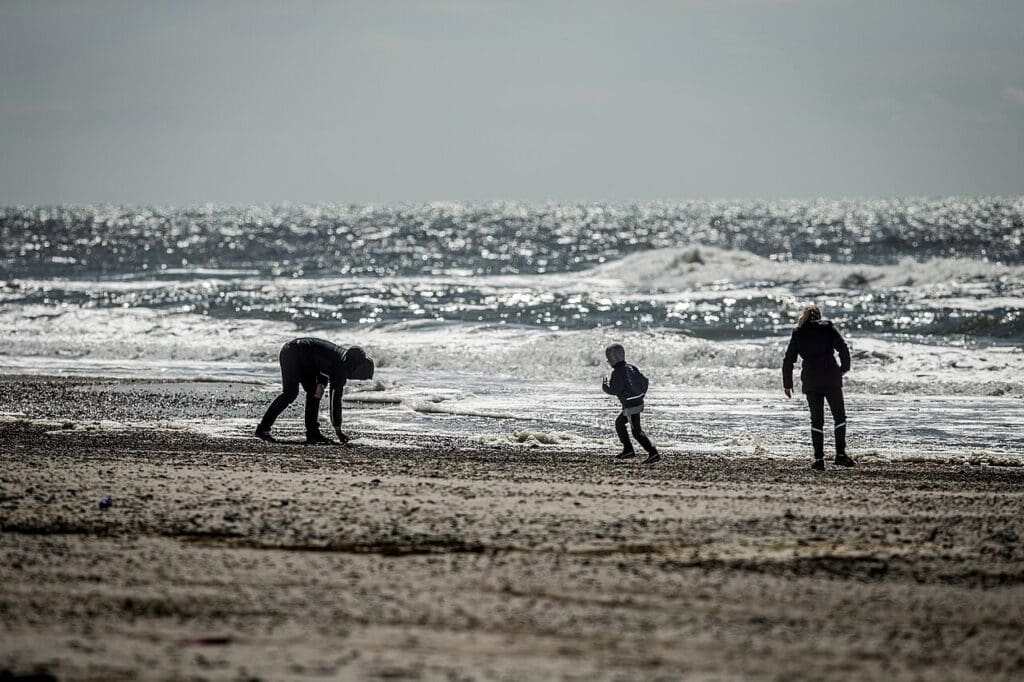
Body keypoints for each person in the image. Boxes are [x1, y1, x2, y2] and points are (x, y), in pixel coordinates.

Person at [256, 337, 374, 444]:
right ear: (353, 366)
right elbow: (335, 401)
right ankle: (263, 429)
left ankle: (313, 433)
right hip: (292, 353)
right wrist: (338, 430)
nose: (359, 377)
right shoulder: (341, 369)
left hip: (304, 357)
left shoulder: (343, 359)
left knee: (315, 392)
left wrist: (321, 383)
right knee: (290, 393)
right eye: (361, 372)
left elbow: (323, 365)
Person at [782, 305, 854, 471]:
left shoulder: (798, 332)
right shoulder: (827, 327)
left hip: (811, 380)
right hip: (831, 377)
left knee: (817, 420)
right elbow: (843, 347)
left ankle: (819, 459)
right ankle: (840, 455)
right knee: (839, 416)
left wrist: (787, 384)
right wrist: (844, 368)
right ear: (819, 315)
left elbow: (788, 360)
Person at [602, 343, 660, 464]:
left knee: (636, 431)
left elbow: (614, 390)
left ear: (613, 359)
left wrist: (605, 386)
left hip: (631, 406)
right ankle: (628, 450)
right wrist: (640, 394)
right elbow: (644, 381)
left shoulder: (617, 372)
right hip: (636, 402)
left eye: (608, 359)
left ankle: (653, 453)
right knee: (619, 423)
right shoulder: (631, 367)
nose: (608, 362)